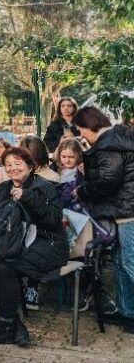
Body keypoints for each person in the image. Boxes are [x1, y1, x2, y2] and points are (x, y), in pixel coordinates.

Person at [0, 147, 66, 345]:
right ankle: (13, 324)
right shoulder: (5, 188)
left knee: (7, 267)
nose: (13, 168)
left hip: (47, 243)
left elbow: (53, 220)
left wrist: (27, 197)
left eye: (18, 164)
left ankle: (4, 325)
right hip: (15, 243)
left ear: (30, 166)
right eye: (8, 165)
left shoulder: (43, 186)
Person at [72, 106, 134, 333]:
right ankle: (127, 312)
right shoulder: (118, 137)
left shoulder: (108, 143)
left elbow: (108, 181)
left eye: (81, 129)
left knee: (130, 263)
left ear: (90, 125)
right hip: (124, 210)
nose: (82, 135)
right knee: (120, 262)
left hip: (128, 211)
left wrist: (83, 191)